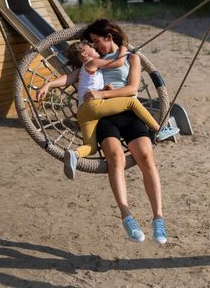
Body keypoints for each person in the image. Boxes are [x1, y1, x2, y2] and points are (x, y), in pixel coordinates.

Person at [37, 38, 178, 180]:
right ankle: (159, 130)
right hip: (92, 106)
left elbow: (67, 78)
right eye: (92, 47)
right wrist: (123, 48)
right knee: (131, 102)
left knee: (90, 147)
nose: (96, 49)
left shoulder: (82, 71)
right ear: (85, 53)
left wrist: (48, 85)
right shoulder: (92, 63)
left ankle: (74, 154)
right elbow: (118, 62)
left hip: (83, 113)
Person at [81, 18, 170, 244]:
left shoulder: (132, 57)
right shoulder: (95, 60)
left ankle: (158, 217)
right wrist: (48, 85)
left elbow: (131, 88)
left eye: (96, 41)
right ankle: (126, 214)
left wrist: (104, 94)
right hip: (104, 116)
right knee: (115, 158)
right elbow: (80, 79)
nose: (95, 46)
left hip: (129, 112)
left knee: (146, 157)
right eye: (92, 42)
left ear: (109, 37)